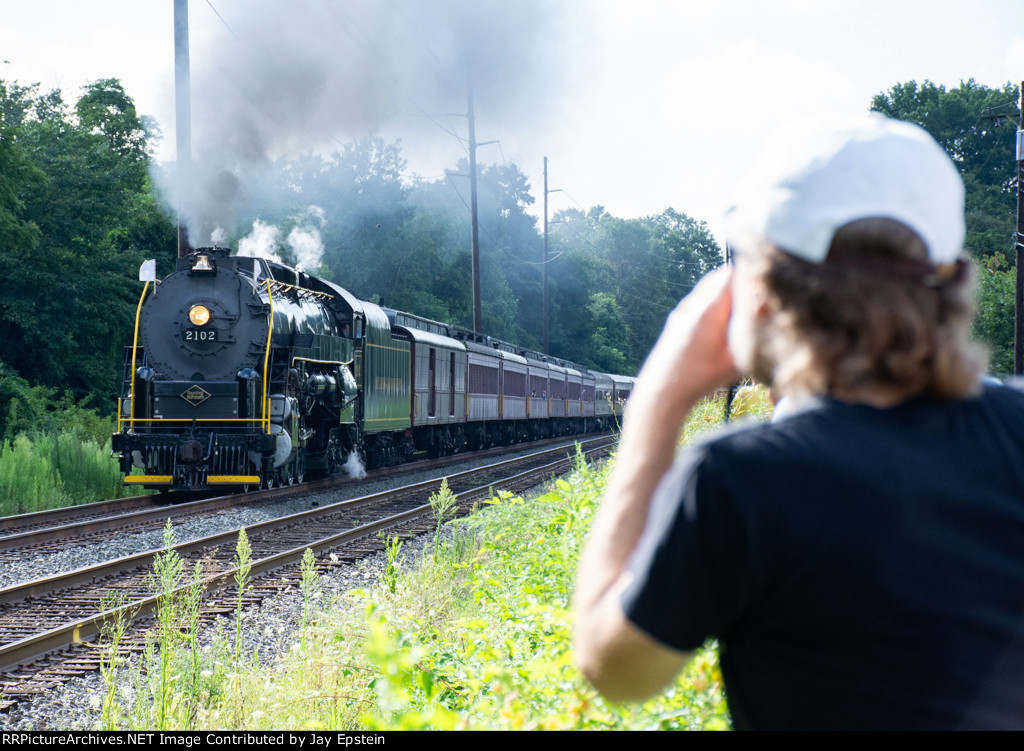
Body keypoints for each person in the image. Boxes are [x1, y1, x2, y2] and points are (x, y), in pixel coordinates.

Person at [573, 114, 1024, 730]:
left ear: (760, 290)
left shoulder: (742, 479)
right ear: (949, 287)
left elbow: (616, 669)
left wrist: (660, 398)